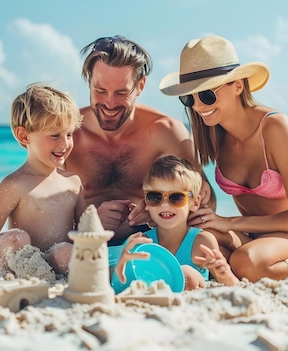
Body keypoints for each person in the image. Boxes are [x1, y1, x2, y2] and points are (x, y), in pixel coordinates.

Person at [156, 35, 288, 282]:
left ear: (238, 86)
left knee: (245, 261)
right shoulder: (213, 135)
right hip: (251, 238)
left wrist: (230, 223)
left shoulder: (275, 128)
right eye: (188, 98)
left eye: (206, 95)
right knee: (195, 243)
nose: (196, 106)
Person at [65, 35, 216, 245]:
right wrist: (88, 220)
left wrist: (160, 212)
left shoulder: (165, 131)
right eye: (100, 91)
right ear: (89, 82)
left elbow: (206, 203)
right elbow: (38, 200)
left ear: (140, 86)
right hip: (82, 244)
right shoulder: (67, 131)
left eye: (121, 92)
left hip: (149, 245)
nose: (109, 103)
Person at [0, 83, 87, 285]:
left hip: (53, 262)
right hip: (16, 259)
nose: (64, 144)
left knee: (67, 251)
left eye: (69, 134)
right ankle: (1, 277)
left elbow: (85, 230)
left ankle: (54, 279)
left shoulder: (72, 182)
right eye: (55, 135)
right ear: (24, 135)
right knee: (16, 238)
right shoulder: (15, 184)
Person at [113, 155, 238, 290]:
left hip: (191, 303)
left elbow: (232, 286)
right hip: (157, 300)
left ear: (195, 203)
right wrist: (120, 264)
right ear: (146, 203)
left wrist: (225, 274)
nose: (165, 205)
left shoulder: (201, 241)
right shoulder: (144, 242)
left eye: (176, 197)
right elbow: (122, 282)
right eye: (155, 197)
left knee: (188, 274)